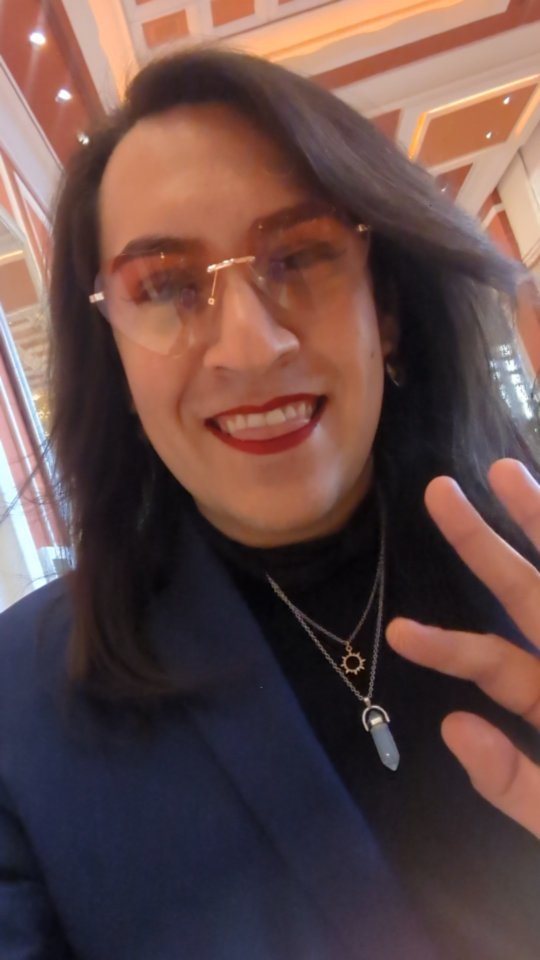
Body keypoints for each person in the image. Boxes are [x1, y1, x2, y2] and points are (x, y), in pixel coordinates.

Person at [0, 46, 538, 960]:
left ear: (386, 309)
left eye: (300, 255)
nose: (250, 348)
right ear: (117, 362)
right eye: (165, 287)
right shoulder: (19, 712)